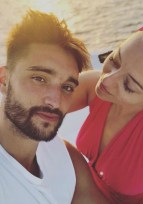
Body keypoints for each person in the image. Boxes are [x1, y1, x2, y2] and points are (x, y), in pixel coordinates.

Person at [0, 10, 107, 204]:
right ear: (4, 81)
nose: (54, 101)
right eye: (39, 78)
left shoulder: (64, 155)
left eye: (66, 87)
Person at [68, 15, 143, 203]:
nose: (107, 80)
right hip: (83, 193)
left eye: (129, 85)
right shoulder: (94, 85)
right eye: (115, 60)